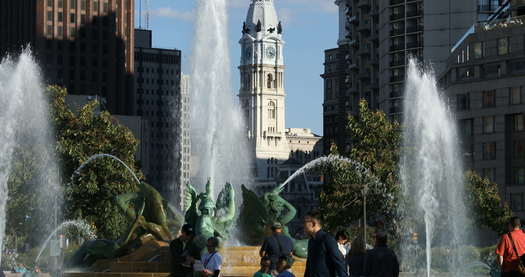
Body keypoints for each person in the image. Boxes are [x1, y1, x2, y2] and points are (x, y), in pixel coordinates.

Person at [303, 209, 348, 277]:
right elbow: (309, 265)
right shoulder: (311, 241)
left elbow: (339, 262)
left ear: (313, 223)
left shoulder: (327, 239)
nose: (304, 225)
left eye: (305, 222)